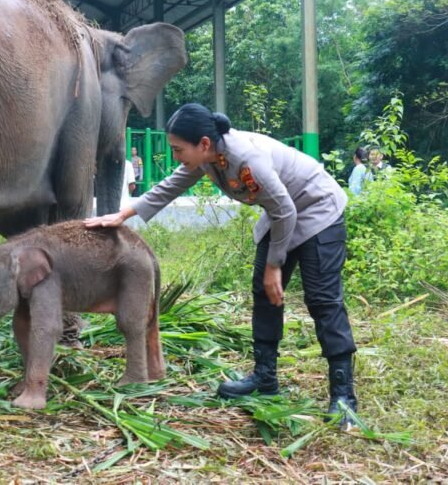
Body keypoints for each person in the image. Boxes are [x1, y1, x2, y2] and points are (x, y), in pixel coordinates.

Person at [85, 103, 359, 426]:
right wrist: (122, 215)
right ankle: (265, 378)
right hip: (282, 215)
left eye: (178, 149)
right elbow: (169, 187)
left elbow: (287, 210)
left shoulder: (245, 159)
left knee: (322, 300)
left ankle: (343, 397)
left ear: (203, 144)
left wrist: (275, 265)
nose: (176, 157)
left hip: (318, 211)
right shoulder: (210, 157)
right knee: (264, 293)